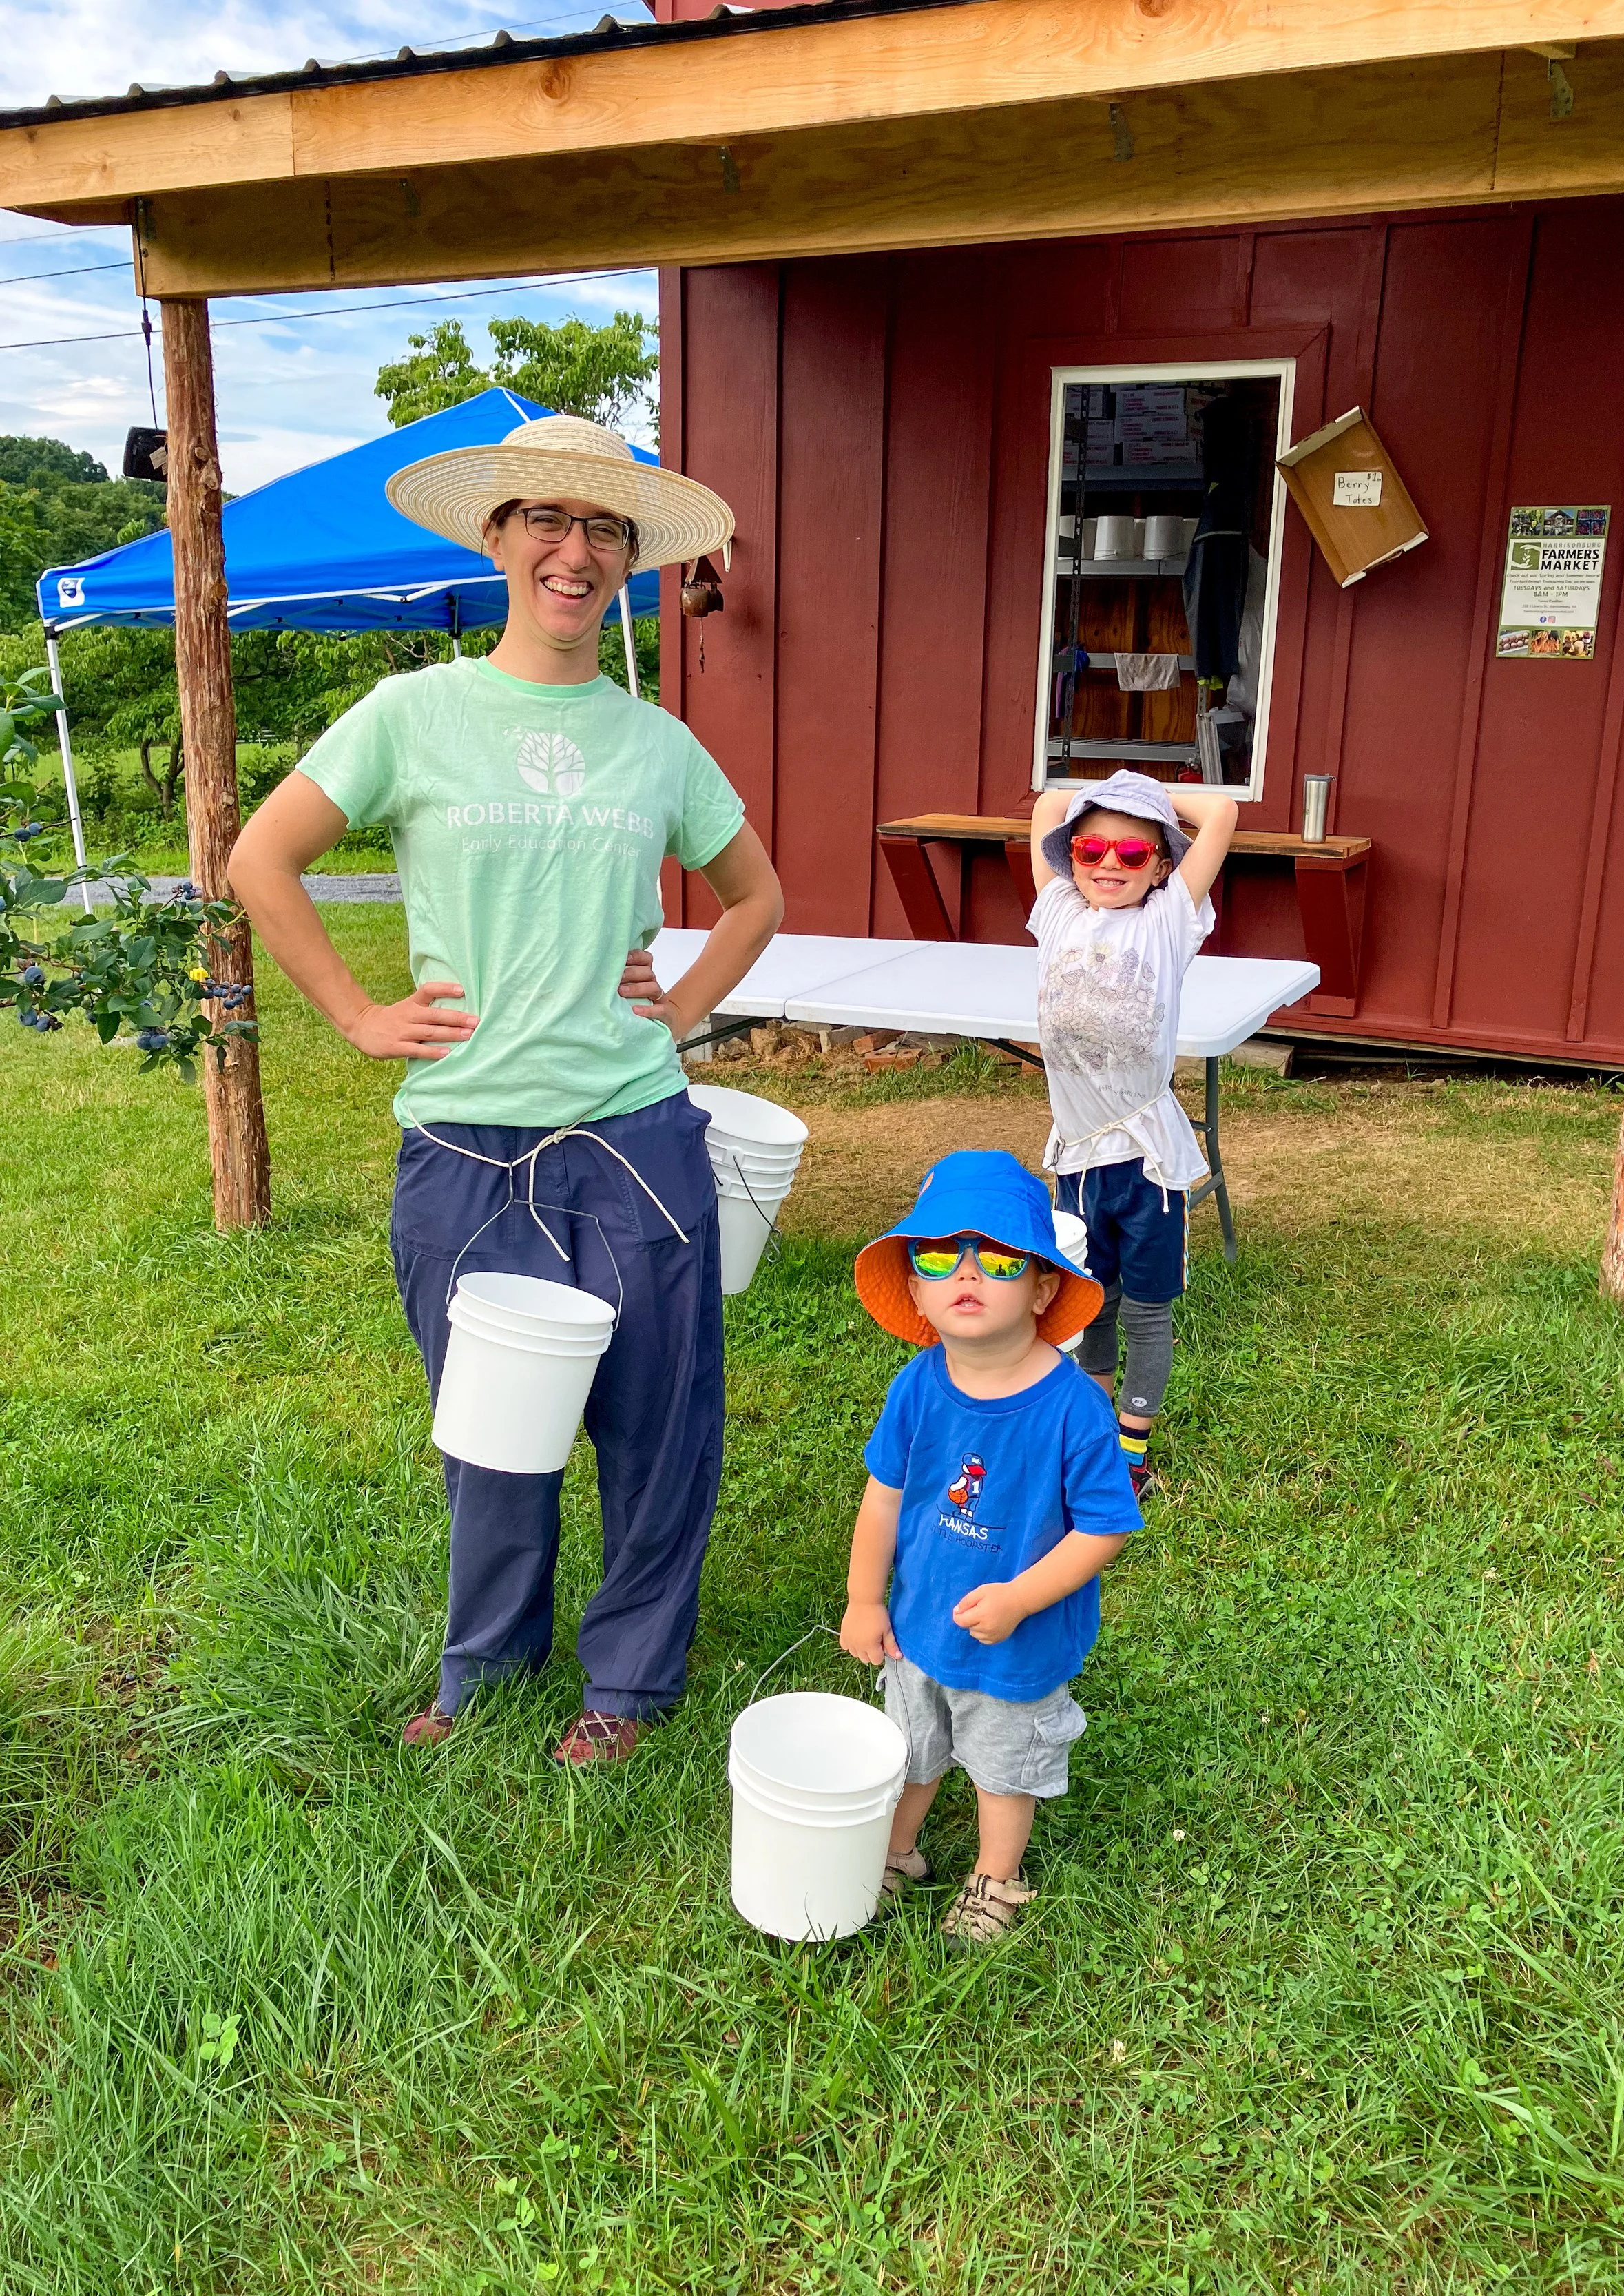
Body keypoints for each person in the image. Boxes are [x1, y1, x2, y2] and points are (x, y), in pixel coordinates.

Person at [229, 416, 784, 1764]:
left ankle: (631, 1684)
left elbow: (755, 895)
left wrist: (689, 1004)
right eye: (547, 518)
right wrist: (360, 1014)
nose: (574, 550)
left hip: (638, 1134)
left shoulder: (654, 743)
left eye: (605, 529)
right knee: (493, 1430)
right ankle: (485, 1667)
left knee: (658, 1424)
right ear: (496, 536)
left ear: (631, 563)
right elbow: (260, 857)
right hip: (464, 1146)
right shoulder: (413, 712)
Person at [840, 1151, 1139, 1945]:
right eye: (938, 1256)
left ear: (1043, 1287)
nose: (966, 1273)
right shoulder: (916, 1386)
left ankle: (993, 1878)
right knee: (909, 1751)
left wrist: (1021, 1599)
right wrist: (865, 1600)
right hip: (919, 1626)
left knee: (1004, 1768)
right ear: (914, 1288)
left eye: (999, 1258)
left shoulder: (1075, 1408)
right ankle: (897, 1852)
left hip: (1019, 1639)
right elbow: (884, 1497)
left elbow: (1104, 1528)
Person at [1025, 771, 1237, 1497]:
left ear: (1163, 867)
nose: (1108, 864)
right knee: (1089, 1299)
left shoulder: (1168, 919)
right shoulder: (1055, 907)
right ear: (1069, 859)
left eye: (1132, 854)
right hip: (1077, 1156)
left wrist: (1149, 801)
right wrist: (1115, 796)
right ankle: (1091, 1423)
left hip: (1148, 1162)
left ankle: (1133, 1450)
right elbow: (1048, 805)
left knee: (1146, 1309)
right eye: (1090, 849)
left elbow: (1223, 810)